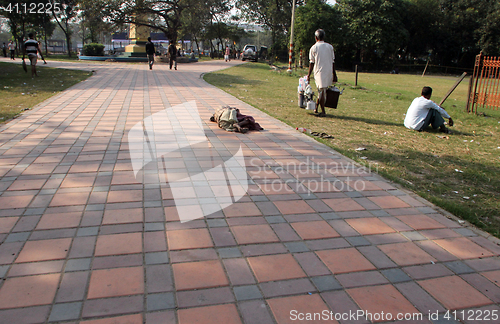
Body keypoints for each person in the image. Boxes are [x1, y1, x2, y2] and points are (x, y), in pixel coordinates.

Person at [306, 29, 338, 117]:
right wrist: (334, 74)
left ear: (316, 38)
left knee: (321, 91)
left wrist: (308, 75)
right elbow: (333, 62)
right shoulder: (330, 47)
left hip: (319, 72)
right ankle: (316, 108)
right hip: (328, 71)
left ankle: (323, 111)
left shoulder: (314, 48)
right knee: (322, 91)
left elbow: (311, 63)